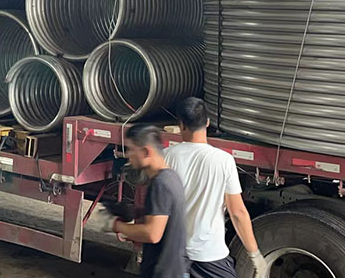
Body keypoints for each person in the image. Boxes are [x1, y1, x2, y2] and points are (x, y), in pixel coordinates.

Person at [164, 97, 268, 278]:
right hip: (210, 255)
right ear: (207, 123)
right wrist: (255, 255)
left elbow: (157, 206)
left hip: (173, 253)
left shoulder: (166, 156)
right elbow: (237, 213)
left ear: (181, 125)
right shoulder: (223, 160)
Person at [108, 123, 188, 278]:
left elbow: (152, 234)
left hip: (162, 272)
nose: (128, 155)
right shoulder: (172, 176)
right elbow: (164, 215)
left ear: (146, 152)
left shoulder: (160, 184)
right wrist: (136, 212)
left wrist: (116, 226)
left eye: (131, 150)